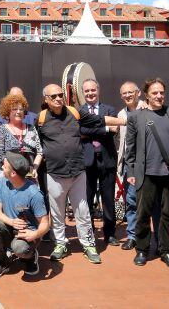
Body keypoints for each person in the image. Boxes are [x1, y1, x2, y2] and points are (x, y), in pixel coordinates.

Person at [37, 83, 125, 264]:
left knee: (83, 210)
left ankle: (88, 245)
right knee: (57, 212)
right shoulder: (41, 119)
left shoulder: (74, 113)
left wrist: (126, 121)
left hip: (77, 172)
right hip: (55, 173)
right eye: (53, 96)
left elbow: (100, 120)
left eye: (60, 95)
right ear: (46, 99)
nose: (58, 98)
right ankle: (60, 244)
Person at [125, 78, 169, 269]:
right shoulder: (136, 117)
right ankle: (142, 250)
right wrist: (131, 171)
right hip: (145, 173)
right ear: (146, 95)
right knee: (143, 214)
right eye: (154, 93)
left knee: (167, 214)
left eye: (161, 92)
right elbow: (131, 147)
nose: (159, 96)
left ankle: (166, 251)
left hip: (168, 174)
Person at [0, 152, 50, 278]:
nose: (2, 168)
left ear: (13, 173)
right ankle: (3, 262)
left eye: (4, 166)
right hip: (9, 227)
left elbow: (46, 223)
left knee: (20, 249)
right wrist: (11, 222)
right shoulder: (2, 182)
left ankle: (30, 257)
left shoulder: (34, 193)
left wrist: (34, 234)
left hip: (27, 233)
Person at [78, 79, 120, 246]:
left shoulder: (109, 109)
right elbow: (80, 131)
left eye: (93, 90)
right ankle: (90, 232)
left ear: (98, 90)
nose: (90, 93)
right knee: (86, 200)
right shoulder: (79, 111)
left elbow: (114, 130)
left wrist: (95, 131)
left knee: (108, 199)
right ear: (83, 93)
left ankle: (109, 233)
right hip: (87, 161)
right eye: (87, 91)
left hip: (107, 160)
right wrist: (105, 128)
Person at [116, 81, 154, 251]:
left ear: (138, 93)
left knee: (150, 203)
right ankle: (132, 236)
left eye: (130, 92)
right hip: (129, 165)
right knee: (131, 201)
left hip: (148, 164)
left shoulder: (147, 109)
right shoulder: (120, 114)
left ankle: (149, 235)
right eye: (124, 93)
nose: (127, 95)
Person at [0, 93, 42, 178]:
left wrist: (35, 168)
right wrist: (13, 169)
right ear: (7, 111)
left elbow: (39, 152)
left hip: (29, 176)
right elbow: (0, 153)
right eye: (14, 109)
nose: (18, 112)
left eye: (21, 109)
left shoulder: (32, 128)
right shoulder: (1, 130)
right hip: (9, 176)